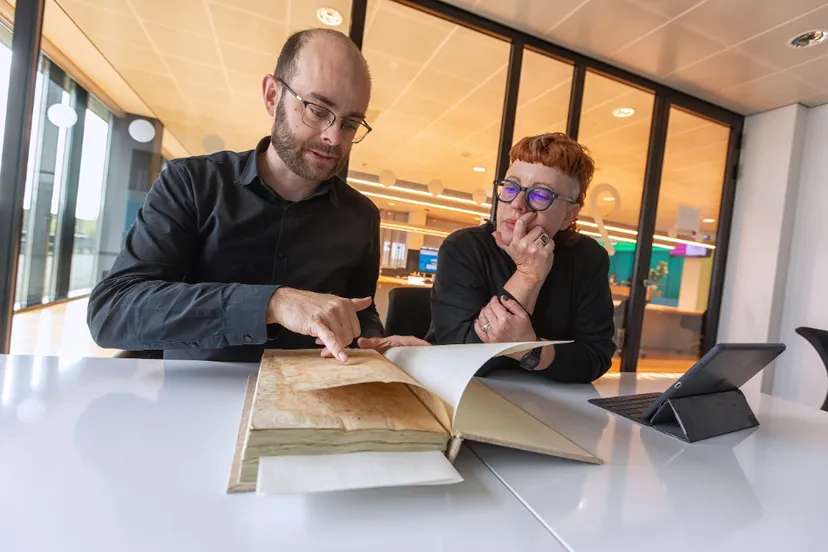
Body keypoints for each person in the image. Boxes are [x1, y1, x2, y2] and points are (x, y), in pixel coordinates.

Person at [87, 29, 423, 362]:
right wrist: (271, 303)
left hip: (312, 393)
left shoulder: (361, 217)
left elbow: (359, 311)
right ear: (272, 96)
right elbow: (111, 311)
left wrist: (376, 345)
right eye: (318, 111)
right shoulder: (191, 183)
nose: (334, 138)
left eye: (350, 125)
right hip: (196, 391)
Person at [429, 133, 615, 383]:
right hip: (462, 390)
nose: (517, 203)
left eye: (540, 195)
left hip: (547, 399)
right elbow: (462, 357)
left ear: (568, 216)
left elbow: (596, 356)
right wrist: (528, 274)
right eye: (510, 187)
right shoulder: (464, 247)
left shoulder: (588, 258)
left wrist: (529, 350)